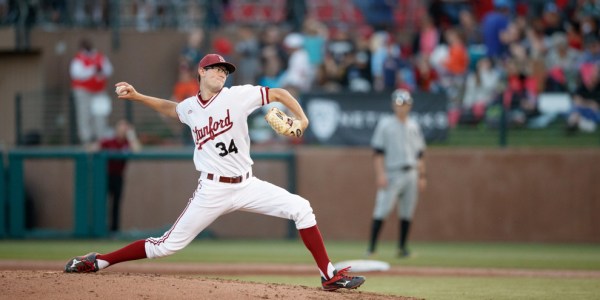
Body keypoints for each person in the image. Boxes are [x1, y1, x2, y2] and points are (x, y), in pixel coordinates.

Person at [64, 53, 366, 291]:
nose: (222, 74)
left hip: (248, 185)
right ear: (201, 72)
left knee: (301, 208)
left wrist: (302, 118)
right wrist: (138, 96)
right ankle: (99, 262)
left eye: (225, 71)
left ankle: (328, 275)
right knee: (165, 246)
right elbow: (173, 109)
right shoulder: (191, 108)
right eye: (216, 69)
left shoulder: (237, 96)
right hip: (212, 189)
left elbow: (278, 92)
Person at [366, 88, 427, 258]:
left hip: (411, 172)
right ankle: (371, 248)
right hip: (392, 172)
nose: (402, 107)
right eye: (399, 103)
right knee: (382, 209)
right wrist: (380, 174)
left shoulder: (414, 124)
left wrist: (422, 176)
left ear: (410, 105)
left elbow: (420, 153)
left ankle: (402, 248)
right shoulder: (386, 124)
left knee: (407, 211)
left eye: (405, 104)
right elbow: (378, 152)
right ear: (393, 105)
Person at [95, 120, 142, 233]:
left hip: (118, 177)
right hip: (104, 177)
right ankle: (99, 230)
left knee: (116, 204)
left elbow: (137, 150)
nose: (122, 131)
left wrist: (131, 135)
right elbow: (94, 148)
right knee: (101, 203)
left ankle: (114, 230)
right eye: (120, 128)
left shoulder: (127, 143)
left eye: (125, 129)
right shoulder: (109, 141)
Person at [69, 38, 114, 147]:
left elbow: (109, 70)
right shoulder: (78, 59)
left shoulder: (100, 57)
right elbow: (77, 74)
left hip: (99, 91)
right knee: (84, 115)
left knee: (100, 115)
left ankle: (101, 139)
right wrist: (93, 69)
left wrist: (100, 70)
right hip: (83, 91)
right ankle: (86, 140)